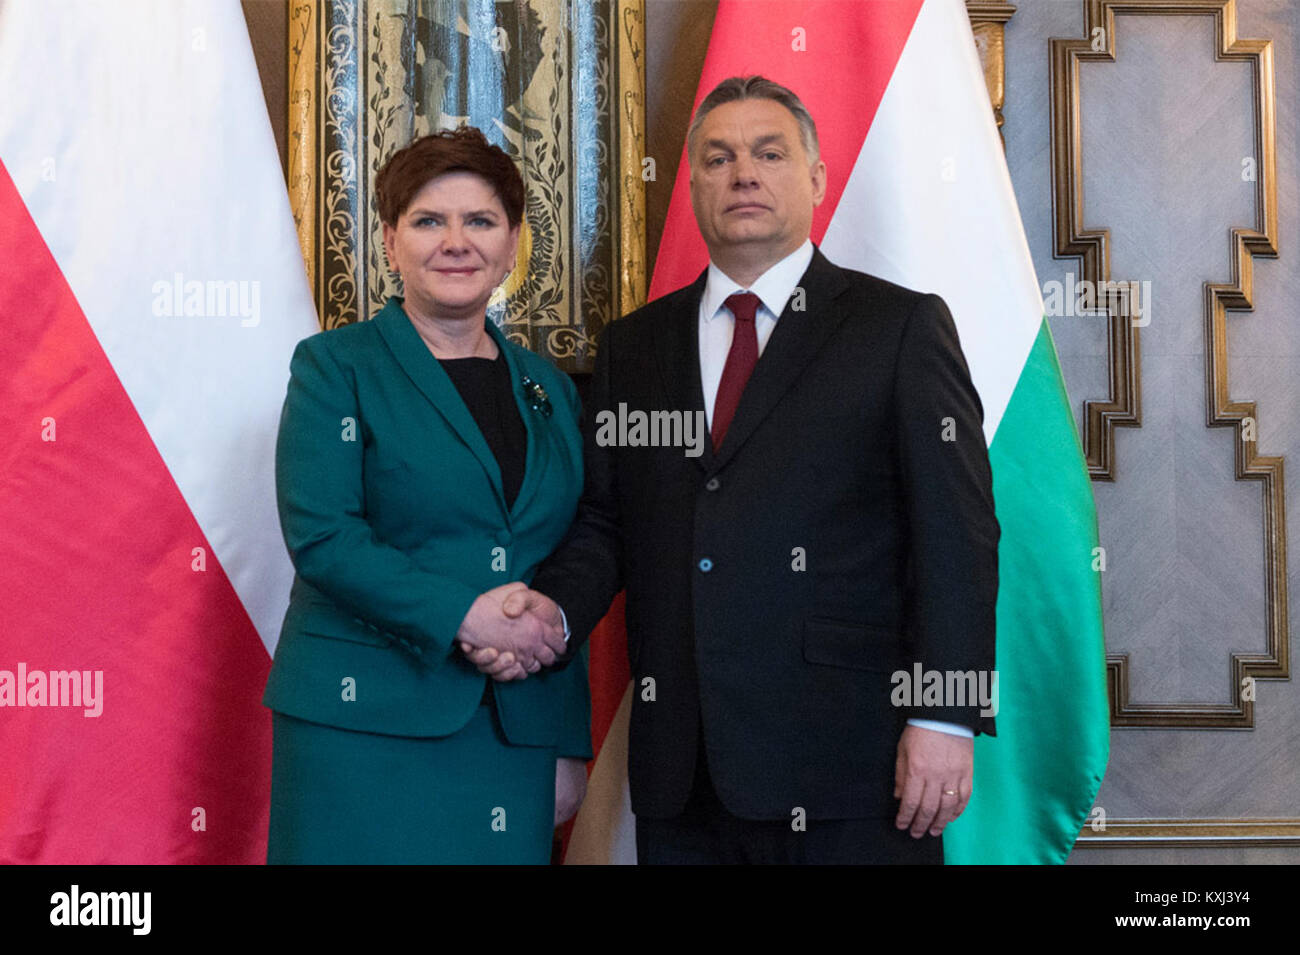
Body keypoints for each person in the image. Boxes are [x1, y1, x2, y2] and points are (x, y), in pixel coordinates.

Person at [465, 76, 1000, 864]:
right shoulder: (635, 346)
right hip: (685, 773)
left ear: (816, 178)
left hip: (851, 765)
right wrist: (550, 617)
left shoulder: (900, 328)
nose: (742, 173)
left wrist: (945, 717)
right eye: (717, 158)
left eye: (768, 153)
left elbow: (957, 535)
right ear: (692, 186)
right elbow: (610, 522)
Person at [263, 126, 591, 864]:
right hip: (362, 725)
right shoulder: (333, 367)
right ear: (389, 239)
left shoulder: (553, 389)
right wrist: (465, 614)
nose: (456, 241)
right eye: (428, 220)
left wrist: (567, 737)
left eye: (479, 221)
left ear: (512, 244)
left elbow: (564, 558)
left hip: (514, 733)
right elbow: (325, 536)